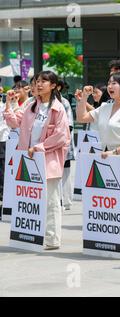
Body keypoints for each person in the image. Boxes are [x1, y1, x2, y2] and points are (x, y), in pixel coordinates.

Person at [76, 72, 120, 256]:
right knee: (109, 199)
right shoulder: (105, 107)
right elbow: (82, 118)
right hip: (107, 157)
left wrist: (115, 151)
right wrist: (83, 98)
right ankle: (111, 235)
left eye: (115, 83)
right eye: (109, 83)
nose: (111, 86)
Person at [4, 70, 71, 250]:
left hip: (47, 161)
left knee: (51, 201)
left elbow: (62, 136)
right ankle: (31, 234)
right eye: (37, 81)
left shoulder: (58, 108)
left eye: (44, 81)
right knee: (29, 199)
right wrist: (9, 104)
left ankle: (51, 238)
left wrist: (39, 148)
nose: (39, 84)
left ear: (54, 86)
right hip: (28, 160)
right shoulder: (31, 105)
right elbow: (13, 122)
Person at [56, 79, 75, 211]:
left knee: (65, 172)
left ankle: (66, 201)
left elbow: (69, 125)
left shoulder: (64, 102)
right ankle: (58, 199)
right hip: (51, 144)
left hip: (63, 143)